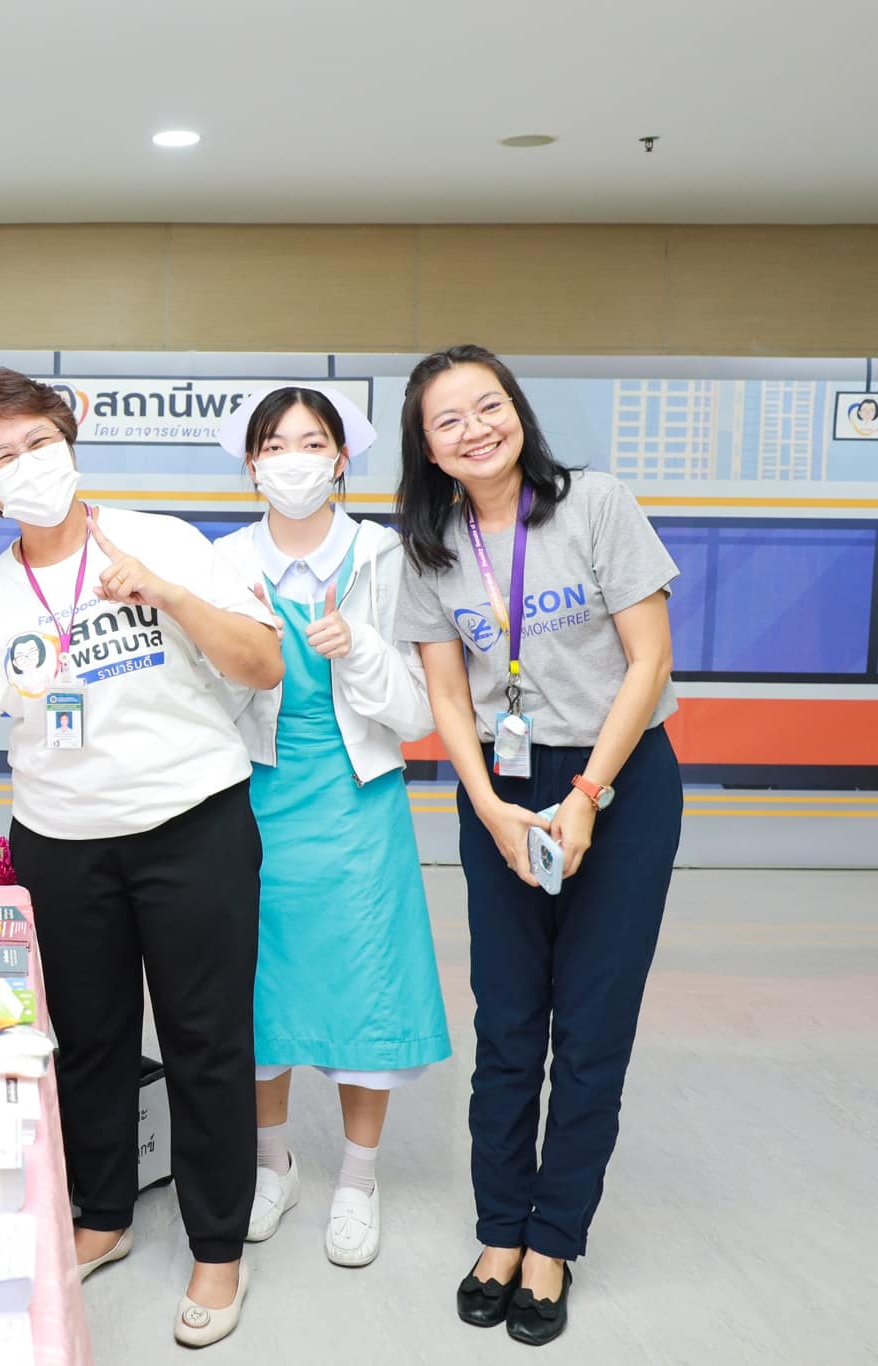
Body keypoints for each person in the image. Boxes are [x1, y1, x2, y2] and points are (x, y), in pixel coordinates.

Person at [0, 368, 282, 1349]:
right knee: (84, 1041)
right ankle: (103, 1214)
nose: (24, 465)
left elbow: (262, 666)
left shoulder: (163, 539)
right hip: (59, 841)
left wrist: (166, 593)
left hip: (191, 820)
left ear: (68, 435)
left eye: (34, 441)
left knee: (205, 1038)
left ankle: (218, 1246)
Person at [394, 344, 681, 1347]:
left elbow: (647, 659)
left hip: (618, 778)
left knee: (589, 1026)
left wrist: (588, 793)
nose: (473, 427)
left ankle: (553, 1238)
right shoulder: (426, 543)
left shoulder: (593, 504)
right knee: (508, 1022)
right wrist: (485, 803)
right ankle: (497, 1230)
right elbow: (442, 690)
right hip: (502, 789)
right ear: (424, 448)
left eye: (488, 404)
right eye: (447, 419)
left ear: (516, 411)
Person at [214, 385, 450, 1269]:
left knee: (363, 992)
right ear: (251, 464)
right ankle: (272, 1166)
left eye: (312, 443)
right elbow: (210, 690)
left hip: (357, 805)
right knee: (258, 988)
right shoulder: (226, 559)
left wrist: (362, 651)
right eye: (275, 445)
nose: (294, 460)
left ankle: (357, 1176)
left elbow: (421, 711)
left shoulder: (387, 558)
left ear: (342, 457)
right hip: (250, 800)